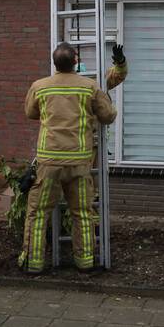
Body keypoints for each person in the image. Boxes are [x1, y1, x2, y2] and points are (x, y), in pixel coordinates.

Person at [20, 42, 121, 274]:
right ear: (76, 61)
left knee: (37, 213)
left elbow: (30, 113)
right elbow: (107, 116)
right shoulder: (89, 86)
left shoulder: (40, 86)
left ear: (54, 63)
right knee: (83, 213)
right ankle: (85, 262)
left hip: (48, 163)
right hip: (79, 162)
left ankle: (34, 264)